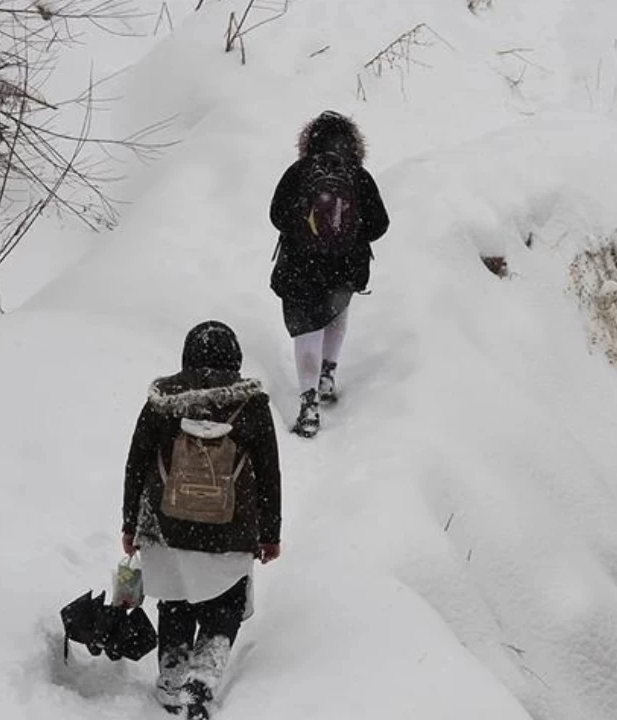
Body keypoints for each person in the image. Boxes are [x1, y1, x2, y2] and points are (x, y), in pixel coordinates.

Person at [121, 321, 282, 719]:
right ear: (235, 358)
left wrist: (129, 524)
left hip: (166, 525)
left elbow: (137, 464)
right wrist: (270, 534)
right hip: (231, 528)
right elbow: (268, 473)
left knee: (175, 600)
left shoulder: (163, 401)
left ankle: (172, 678)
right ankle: (202, 681)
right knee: (225, 603)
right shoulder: (252, 405)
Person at [269, 110, 390, 438]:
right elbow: (380, 224)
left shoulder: (298, 172)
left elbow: (276, 215)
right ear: (353, 143)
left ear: (309, 141)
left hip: (300, 268)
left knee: (306, 330)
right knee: (336, 313)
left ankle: (309, 403)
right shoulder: (358, 176)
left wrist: (303, 231)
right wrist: (348, 236)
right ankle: (327, 375)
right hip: (344, 268)